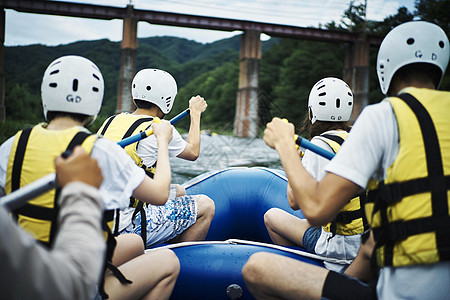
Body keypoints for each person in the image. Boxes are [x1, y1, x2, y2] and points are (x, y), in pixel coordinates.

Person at [243, 20, 450, 299]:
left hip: (394, 291)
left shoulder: (382, 117)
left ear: (386, 67)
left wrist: (284, 146)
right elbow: (370, 244)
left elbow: (314, 210)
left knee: (256, 268)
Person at [0, 55, 179, 299]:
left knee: (134, 243)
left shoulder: (11, 145)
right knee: (168, 262)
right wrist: (162, 140)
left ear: (45, 98)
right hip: (68, 285)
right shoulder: (102, 150)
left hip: (22, 269)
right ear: (94, 105)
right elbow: (159, 194)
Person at [98, 68, 215, 248]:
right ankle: (180, 260)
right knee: (206, 206)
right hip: (126, 224)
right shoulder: (156, 127)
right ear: (167, 100)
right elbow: (192, 152)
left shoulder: (111, 121)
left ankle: (167, 234)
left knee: (180, 191)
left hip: (101, 215)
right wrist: (195, 114)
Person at [264, 77, 368, 272]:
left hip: (339, 248)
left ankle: (301, 271)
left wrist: (291, 160)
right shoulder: (357, 138)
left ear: (312, 111)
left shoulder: (317, 146)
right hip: (364, 242)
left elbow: (294, 202)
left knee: (271, 217)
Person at [0, 146, 106, 300]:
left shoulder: (10, 146)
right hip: (72, 279)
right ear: (89, 119)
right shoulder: (100, 147)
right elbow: (74, 287)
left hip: (38, 256)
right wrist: (81, 189)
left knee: (133, 243)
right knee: (151, 258)